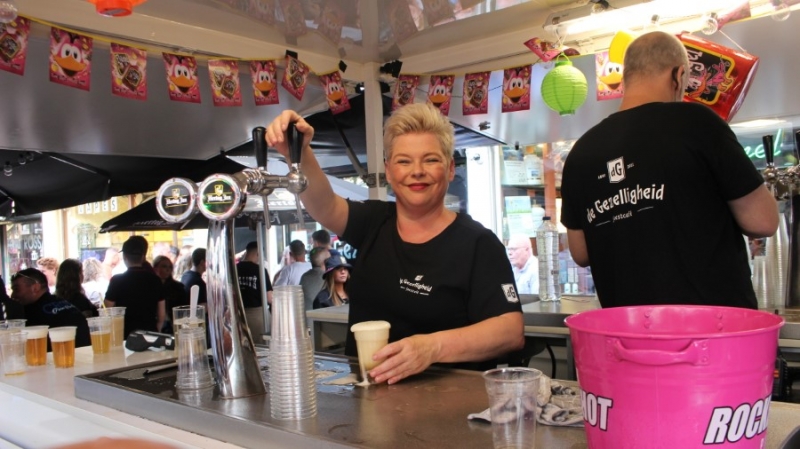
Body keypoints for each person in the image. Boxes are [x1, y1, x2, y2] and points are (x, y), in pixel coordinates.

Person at [266, 103, 524, 384]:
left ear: (450, 169)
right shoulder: (374, 221)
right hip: (367, 395)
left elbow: (510, 332)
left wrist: (432, 347)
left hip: (448, 401)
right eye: (404, 161)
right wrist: (299, 152)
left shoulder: (478, 243)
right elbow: (325, 205)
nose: (417, 171)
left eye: (430, 160)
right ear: (388, 171)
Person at [559, 31, 779, 310]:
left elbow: (580, 252)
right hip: (712, 326)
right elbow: (763, 222)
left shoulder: (581, 152)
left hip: (628, 328)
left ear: (626, 77)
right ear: (679, 74)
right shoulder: (698, 123)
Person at [9, 268, 91, 350]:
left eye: (16, 289)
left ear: (35, 288)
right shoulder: (64, 302)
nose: (13, 295)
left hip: (57, 356)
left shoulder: (30, 313)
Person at [105, 236, 166, 337]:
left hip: (124, 336)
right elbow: (161, 315)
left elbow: (107, 310)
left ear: (124, 257)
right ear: (143, 257)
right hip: (150, 334)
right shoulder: (155, 280)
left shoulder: (117, 280)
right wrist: (157, 330)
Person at [236, 241, 273, 336]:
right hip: (258, 316)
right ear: (258, 254)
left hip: (238, 316)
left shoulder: (234, 269)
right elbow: (269, 298)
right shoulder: (260, 271)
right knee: (262, 343)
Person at [152, 255, 187, 333]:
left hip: (172, 325)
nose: (168, 269)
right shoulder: (150, 286)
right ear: (155, 268)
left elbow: (183, 308)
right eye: (164, 266)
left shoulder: (178, 287)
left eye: (170, 267)